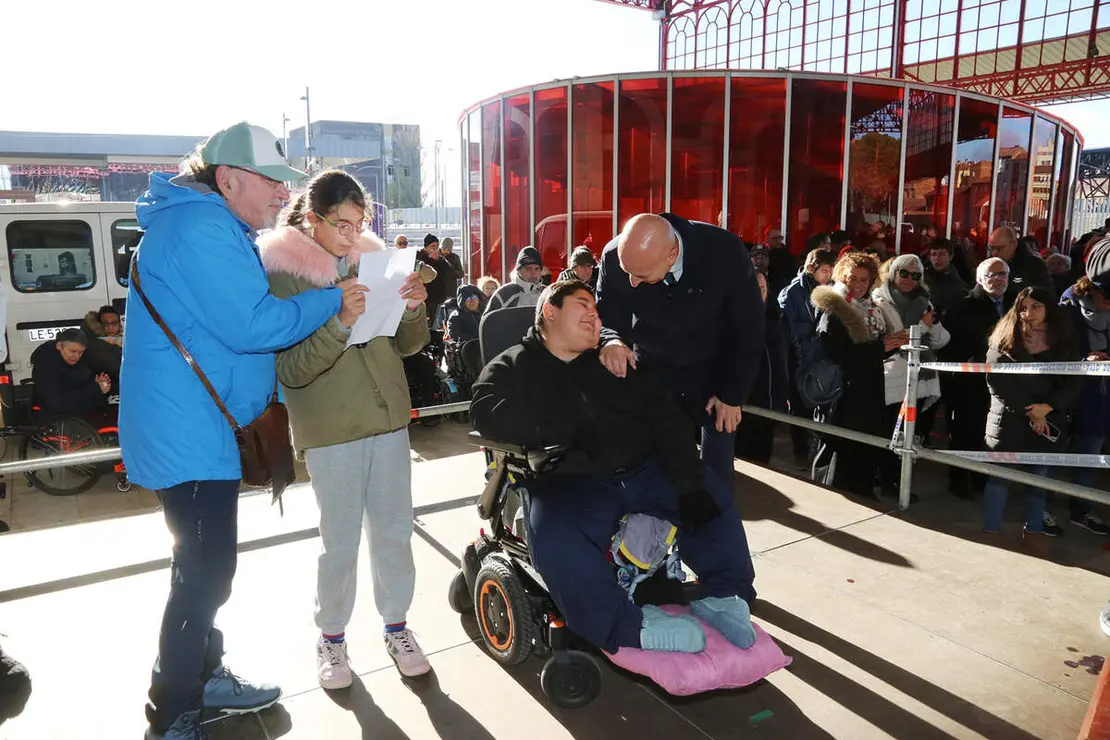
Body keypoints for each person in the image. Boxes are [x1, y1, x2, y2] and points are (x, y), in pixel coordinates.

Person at [121, 122, 348, 740]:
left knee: (198, 566)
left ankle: (204, 674)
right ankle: (173, 713)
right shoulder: (199, 228)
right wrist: (333, 300)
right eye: (272, 181)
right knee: (205, 571)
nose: (283, 195)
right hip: (188, 433)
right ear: (228, 178)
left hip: (194, 427)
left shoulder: (205, 224)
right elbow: (252, 325)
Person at [470, 280, 757, 655]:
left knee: (710, 493)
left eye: (597, 309)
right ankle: (627, 627)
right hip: (571, 479)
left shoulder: (613, 362)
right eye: (582, 304)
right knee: (556, 537)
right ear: (549, 311)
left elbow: (666, 419)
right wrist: (562, 428)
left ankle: (726, 596)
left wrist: (688, 483)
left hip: (644, 470)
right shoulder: (513, 366)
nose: (594, 314)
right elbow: (484, 413)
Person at [257, 170, 431, 689]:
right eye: (342, 224)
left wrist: (416, 307)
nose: (353, 235)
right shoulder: (281, 273)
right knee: (339, 541)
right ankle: (331, 638)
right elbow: (289, 370)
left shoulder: (371, 262)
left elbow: (406, 345)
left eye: (360, 224)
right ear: (312, 218)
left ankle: (397, 626)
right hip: (330, 427)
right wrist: (339, 322)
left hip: (388, 418)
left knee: (396, 529)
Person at [595, 213, 765, 482]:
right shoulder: (615, 257)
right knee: (658, 470)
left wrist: (733, 395)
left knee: (716, 473)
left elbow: (749, 328)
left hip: (715, 371)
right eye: (628, 272)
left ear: (672, 255)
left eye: (641, 275)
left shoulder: (724, 251)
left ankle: (715, 518)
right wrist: (612, 341)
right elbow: (606, 316)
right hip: (654, 371)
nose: (632, 283)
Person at [982, 287, 1081, 556]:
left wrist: (1047, 408)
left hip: (1049, 419)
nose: (1028, 313)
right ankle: (991, 529)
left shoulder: (1065, 341)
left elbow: (1074, 383)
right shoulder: (1004, 338)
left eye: (1036, 306)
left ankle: (1034, 530)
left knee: (1040, 478)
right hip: (1010, 420)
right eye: (1023, 307)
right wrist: (1031, 412)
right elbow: (997, 381)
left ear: (1049, 308)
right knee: (1000, 479)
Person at [810, 253, 908, 497]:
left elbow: (866, 353)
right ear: (841, 277)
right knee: (842, 447)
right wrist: (880, 347)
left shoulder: (871, 309)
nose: (858, 284)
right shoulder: (835, 308)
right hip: (844, 393)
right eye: (852, 278)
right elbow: (835, 354)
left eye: (864, 280)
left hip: (869, 389)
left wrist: (890, 346)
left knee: (864, 446)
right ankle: (839, 494)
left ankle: (860, 490)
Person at [939, 258, 1011, 498]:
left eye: (1003, 274)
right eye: (992, 274)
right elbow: (948, 347)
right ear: (980, 278)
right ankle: (958, 481)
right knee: (963, 433)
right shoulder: (962, 306)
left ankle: (982, 479)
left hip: (1002, 383)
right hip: (968, 383)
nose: (998, 279)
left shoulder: (1015, 303)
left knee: (989, 433)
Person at [1055, 274, 1110, 535]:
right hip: (1069, 391)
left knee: (1090, 451)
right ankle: (1040, 509)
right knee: (1053, 452)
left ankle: (1082, 510)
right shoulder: (1068, 307)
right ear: (1093, 291)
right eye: (1106, 300)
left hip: (1101, 395)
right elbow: (1055, 347)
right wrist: (1083, 358)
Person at [778, 248, 837, 469]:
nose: (828, 275)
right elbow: (786, 327)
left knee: (822, 406)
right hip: (799, 358)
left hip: (820, 358)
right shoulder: (791, 293)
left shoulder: (829, 290)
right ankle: (801, 452)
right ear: (811, 267)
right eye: (824, 270)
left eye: (831, 270)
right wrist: (814, 328)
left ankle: (817, 451)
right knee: (800, 408)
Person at [30, 329, 111, 419]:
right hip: (57, 420)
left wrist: (96, 384)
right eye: (72, 351)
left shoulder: (82, 360)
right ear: (59, 346)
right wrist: (95, 389)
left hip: (80, 415)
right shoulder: (45, 365)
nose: (76, 356)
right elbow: (55, 403)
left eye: (80, 352)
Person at [989, 226, 1053, 297]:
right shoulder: (988, 265)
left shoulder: (1034, 265)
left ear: (1014, 245)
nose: (994, 253)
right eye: (991, 248)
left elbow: (1046, 296)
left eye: (999, 248)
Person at [485, 246, 545, 312]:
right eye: (528, 269)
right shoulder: (504, 294)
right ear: (519, 270)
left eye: (537, 269)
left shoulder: (547, 294)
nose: (533, 273)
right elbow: (487, 321)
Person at [923, 238, 969, 320]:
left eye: (942, 254)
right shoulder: (922, 279)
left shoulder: (959, 286)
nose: (937, 258)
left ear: (950, 256)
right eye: (934, 254)